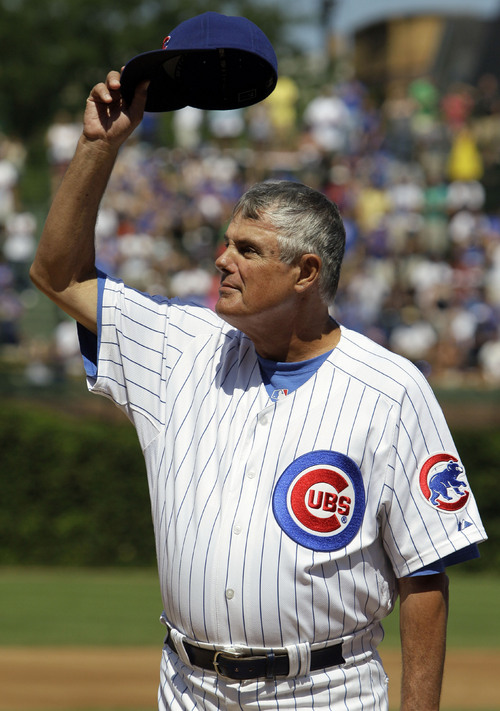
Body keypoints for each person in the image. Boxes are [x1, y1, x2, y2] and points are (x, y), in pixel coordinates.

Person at [30, 70, 487, 711]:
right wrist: (97, 147)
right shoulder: (181, 345)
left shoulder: (392, 389)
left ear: (305, 272)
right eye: (227, 243)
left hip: (326, 690)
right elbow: (58, 275)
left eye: (248, 249)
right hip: (189, 688)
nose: (223, 260)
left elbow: (425, 575)